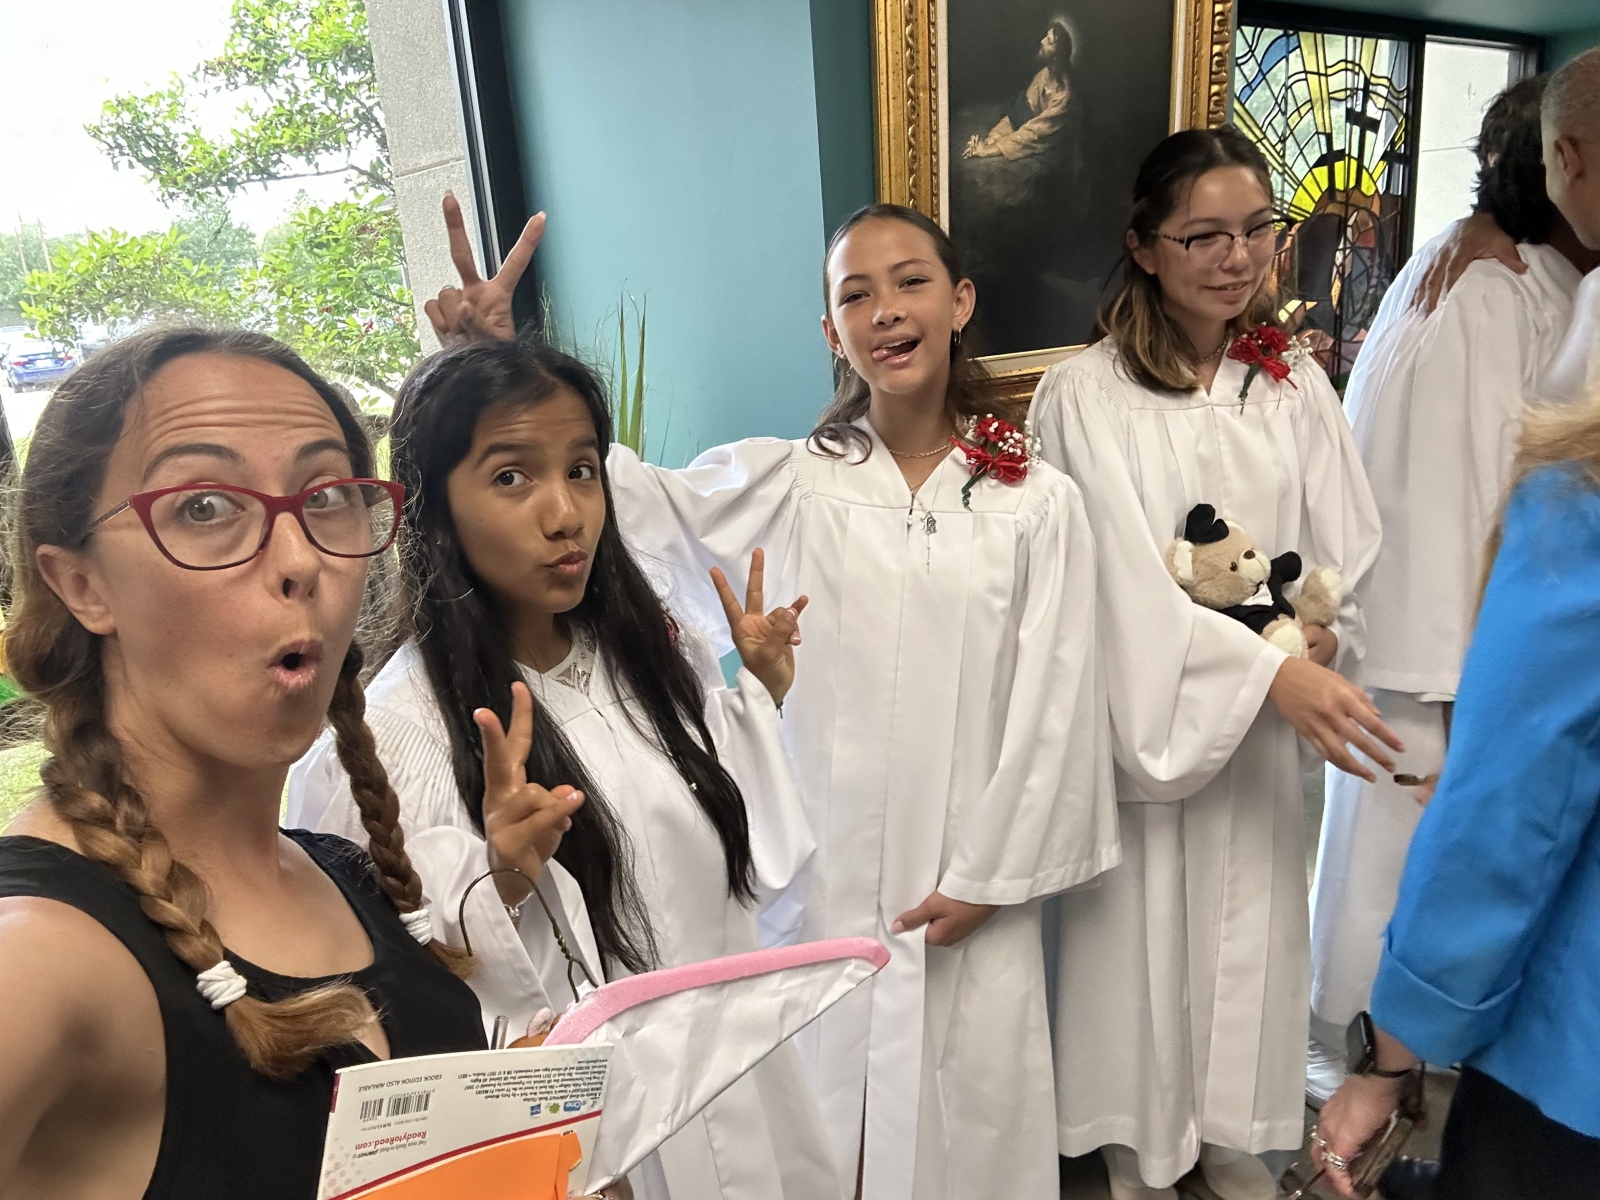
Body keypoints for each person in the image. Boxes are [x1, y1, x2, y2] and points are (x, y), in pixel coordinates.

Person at [428, 201, 1117, 1200]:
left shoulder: (1033, 503)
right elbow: (622, 494)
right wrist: (496, 367)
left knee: (965, 1111)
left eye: (911, 282)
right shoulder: (793, 482)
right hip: (823, 866)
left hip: (963, 876)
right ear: (832, 332)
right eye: (856, 294)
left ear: (961, 301)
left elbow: (1059, 693)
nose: (887, 310)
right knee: (818, 1110)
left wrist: (995, 875)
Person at [287, 336, 835, 1200]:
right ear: (434, 506)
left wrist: (759, 694)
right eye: (512, 477)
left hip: (736, 1086)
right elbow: (386, 1008)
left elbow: (736, 853)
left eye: (582, 470)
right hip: (598, 1140)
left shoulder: (651, 660)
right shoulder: (398, 737)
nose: (565, 513)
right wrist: (498, 879)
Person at [0, 328, 486, 1199]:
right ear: (82, 585)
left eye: (327, 495)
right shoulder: (38, 953)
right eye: (204, 507)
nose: (301, 559)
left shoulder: (344, 873)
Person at [1030, 127, 1398, 1200]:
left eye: (1255, 230)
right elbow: (1111, 587)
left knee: (1248, 947)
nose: (1237, 258)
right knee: (1144, 950)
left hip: (1261, 749)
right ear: (1144, 246)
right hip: (1153, 733)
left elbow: (1343, 544)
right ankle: (1141, 1163)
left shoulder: (1289, 385)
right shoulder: (1087, 396)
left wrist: (1322, 630)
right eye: (1204, 236)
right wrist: (1264, 673)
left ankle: (1230, 1149)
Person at [1310, 45, 1600, 1200]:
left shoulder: (1481, 269)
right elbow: (1479, 491)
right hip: (1447, 654)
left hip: (1455, 657)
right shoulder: (1496, 287)